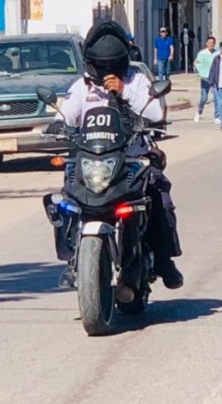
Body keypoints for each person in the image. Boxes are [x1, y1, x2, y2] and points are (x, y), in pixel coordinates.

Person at [57, 20, 183, 289]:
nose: (107, 71)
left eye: (112, 65)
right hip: (92, 159)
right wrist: (58, 125)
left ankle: (164, 260)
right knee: (66, 198)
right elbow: (67, 116)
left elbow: (156, 113)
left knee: (159, 193)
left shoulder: (136, 80)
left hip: (132, 159)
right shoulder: (82, 87)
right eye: (102, 65)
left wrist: (123, 91)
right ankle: (72, 260)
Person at [193, 36, 219, 124]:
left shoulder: (217, 53)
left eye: (212, 43)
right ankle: (199, 112)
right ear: (206, 43)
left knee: (216, 98)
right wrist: (196, 66)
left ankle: (217, 116)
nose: (211, 44)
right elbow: (197, 64)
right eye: (209, 43)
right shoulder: (202, 53)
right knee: (204, 98)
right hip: (205, 78)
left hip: (215, 78)